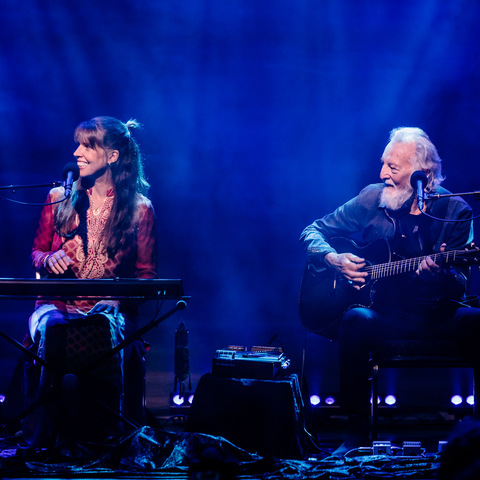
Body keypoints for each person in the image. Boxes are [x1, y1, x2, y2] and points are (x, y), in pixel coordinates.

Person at [300, 127, 480, 456]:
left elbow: (459, 282)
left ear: (423, 175)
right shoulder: (372, 198)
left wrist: (437, 277)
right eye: (383, 164)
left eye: (393, 168)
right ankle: (356, 434)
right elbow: (312, 231)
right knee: (356, 319)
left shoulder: (456, 211)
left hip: (438, 314)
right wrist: (334, 259)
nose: (383, 174)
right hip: (387, 314)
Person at [23, 116, 158, 449]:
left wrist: (119, 301)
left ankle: (105, 437)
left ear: (112, 156)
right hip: (56, 305)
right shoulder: (59, 197)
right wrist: (47, 260)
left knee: (102, 328)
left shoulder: (140, 209)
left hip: (110, 309)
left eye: (87, 146)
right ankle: (50, 439)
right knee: (54, 330)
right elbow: (36, 253)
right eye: (78, 145)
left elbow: (146, 276)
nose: (77, 153)